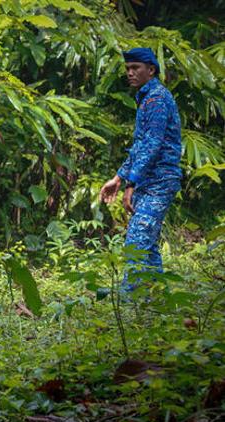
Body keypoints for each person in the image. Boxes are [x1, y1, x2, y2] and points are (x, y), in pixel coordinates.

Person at [100, 48, 182, 290]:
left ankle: (128, 304)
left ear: (151, 70)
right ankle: (158, 303)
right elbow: (140, 146)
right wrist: (118, 178)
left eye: (135, 68)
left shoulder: (157, 98)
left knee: (137, 241)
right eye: (127, 68)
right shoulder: (147, 98)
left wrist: (130, 184)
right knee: (148, 244)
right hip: (150, 180)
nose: (130, 73)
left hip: (160, 180)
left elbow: (153, 145)